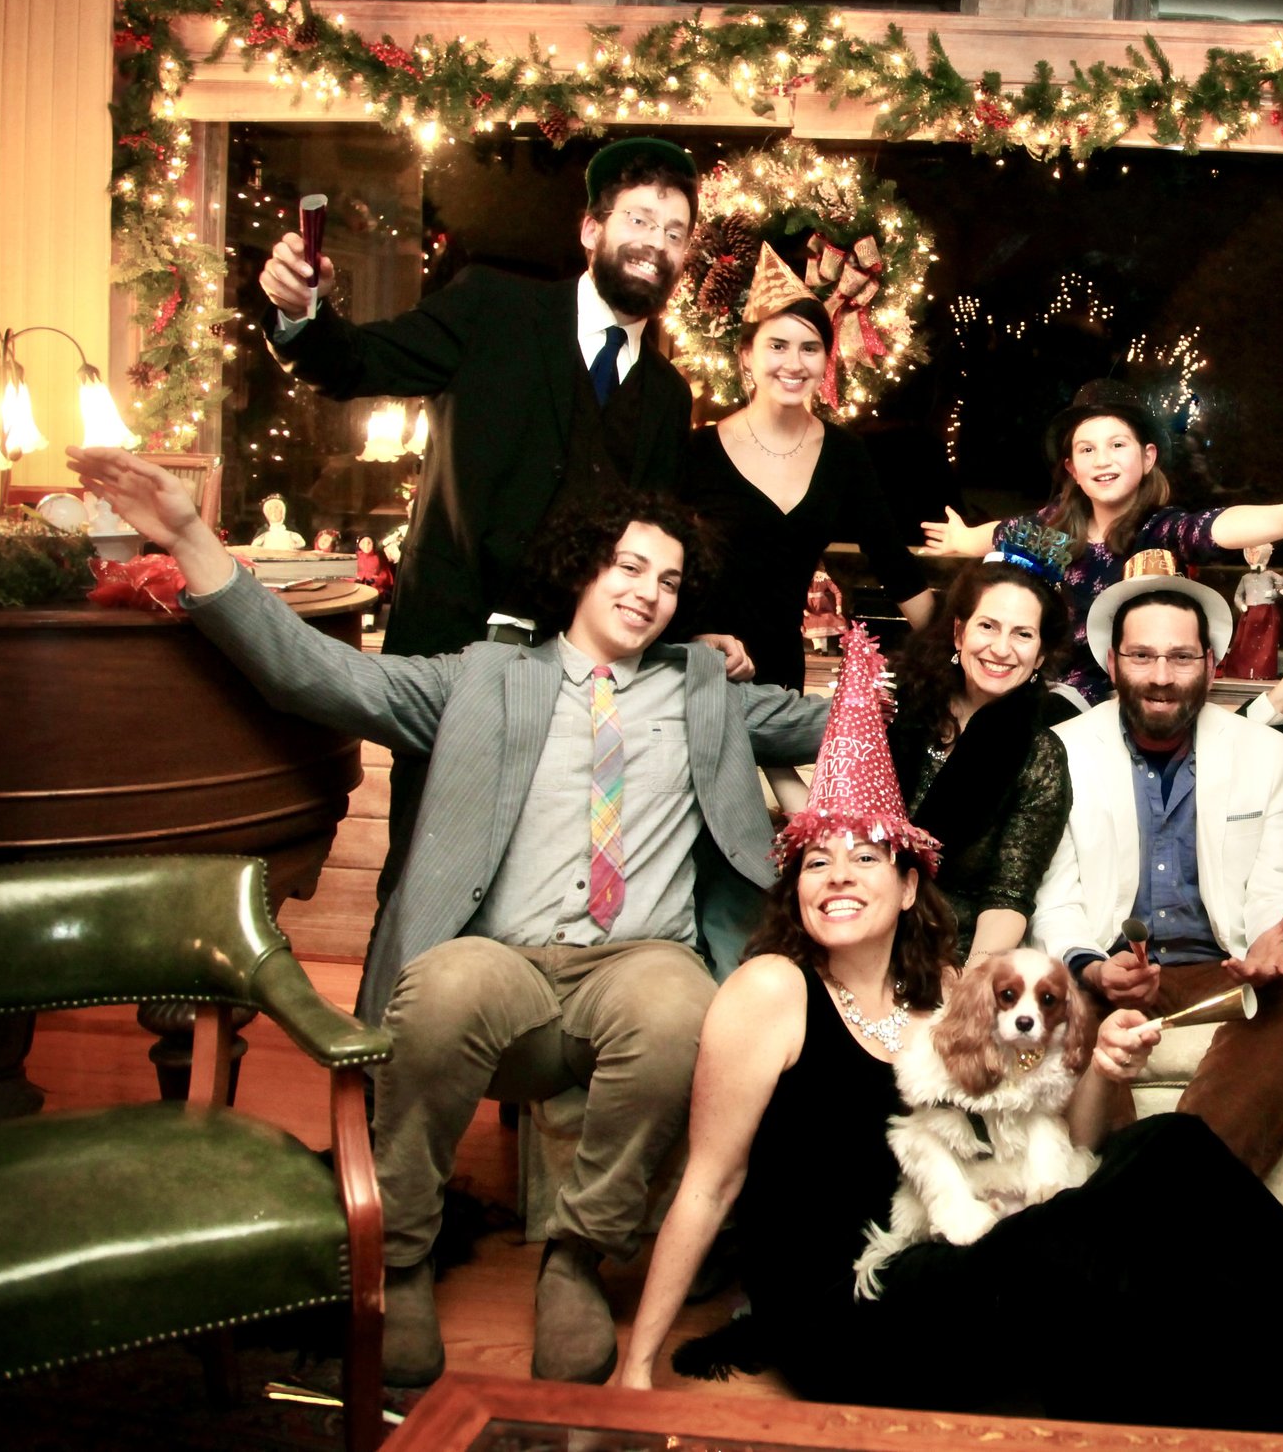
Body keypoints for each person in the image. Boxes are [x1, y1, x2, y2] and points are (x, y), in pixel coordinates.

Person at [65, 445, 830, 1390]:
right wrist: (188, 537)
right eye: (630, 565)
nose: (649, 592)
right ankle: (403, 1254)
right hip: (502, 956)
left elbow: (841, 721)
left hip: (640, 958)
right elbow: (314, 675)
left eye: (670, 581)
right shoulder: (479, 680)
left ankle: (579, 1258)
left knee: (686, 1011)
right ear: (583, 565)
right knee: (440, 990)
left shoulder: (702, 691)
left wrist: (982, 668)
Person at [615, 625, 1283, 1438]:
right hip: (859, 1300)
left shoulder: (952, 997)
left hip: (953, 1247)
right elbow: (708, 1181)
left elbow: (1056, 1142)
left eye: (865, 860)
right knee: (1062, 1242)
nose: (839, 878)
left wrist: (1102, 1068)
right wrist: (634, 1366)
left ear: (911, 885)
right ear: (796, 886)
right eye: (818, 862)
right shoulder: (772, 988)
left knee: (1172, 1148)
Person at [255, 138, 718, 914]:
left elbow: (653, 548)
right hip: (451, 654)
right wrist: (302, 312)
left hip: (574, 685)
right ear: (590, 230)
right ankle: (392, 1029)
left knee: (535, 890)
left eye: (675, 232)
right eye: (639, 218)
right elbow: (356, 362)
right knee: (423, 882)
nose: (656, 243)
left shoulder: (669, 397)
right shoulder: (492, 306)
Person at [1029, 550, 1283, 1178]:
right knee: (1049, 991)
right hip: (1107, 975)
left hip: (1222, 969)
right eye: (1143, 656)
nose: (1161, 675)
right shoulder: (1063, 753)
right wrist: (1094, 970)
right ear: (1112, 661)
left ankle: (1175, 1182)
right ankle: (1160, 1200)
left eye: (1181, 657)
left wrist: (1273, 939)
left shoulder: (1265, 753)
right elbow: (1055, 897)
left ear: (1210, 666)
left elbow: (1280, 879)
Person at [925, 379, 1283, 705]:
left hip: (1124, 706)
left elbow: (1215, 527)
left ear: (1147, 457)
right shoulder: (1051, 530)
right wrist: (964, 539)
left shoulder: (1160, 530)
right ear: (1072, 468)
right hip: (1041, 698)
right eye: (1087, 450)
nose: (1103, 460)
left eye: (1117, 445)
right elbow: (1002, 531)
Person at [680, 243, 935, 696]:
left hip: (780, 683)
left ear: (825, 359)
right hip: (696, 670)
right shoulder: (695, 451)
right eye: (777, 345)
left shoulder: (844, 454)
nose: (794, 364)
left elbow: (896, 566)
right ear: (746, 355)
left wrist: (957, 654)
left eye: (810, 348)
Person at [887, 523, 1077, 958]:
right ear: (959, 633)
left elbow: (1009, 893)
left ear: (1041, 655)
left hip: (950, 952)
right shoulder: (898, 711)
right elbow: (841, 824)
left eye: (1023, 634)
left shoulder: (1039, 755)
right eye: (988, 626)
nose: (1002, 648)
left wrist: (972, 985)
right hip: (860, 927)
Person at [1223, 542, 1283, 680]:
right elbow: (1237, 595)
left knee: (1266, 644)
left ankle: (1263, 671)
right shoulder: (1245, 577)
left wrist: (1274, 593)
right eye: (1250, 553)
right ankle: (1243, 671)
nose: (1252, 556)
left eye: (1256, 552)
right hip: (1250, 613)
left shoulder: (1270, 574)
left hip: (1267, 612)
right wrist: (1241, 605)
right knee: (1246, 643)